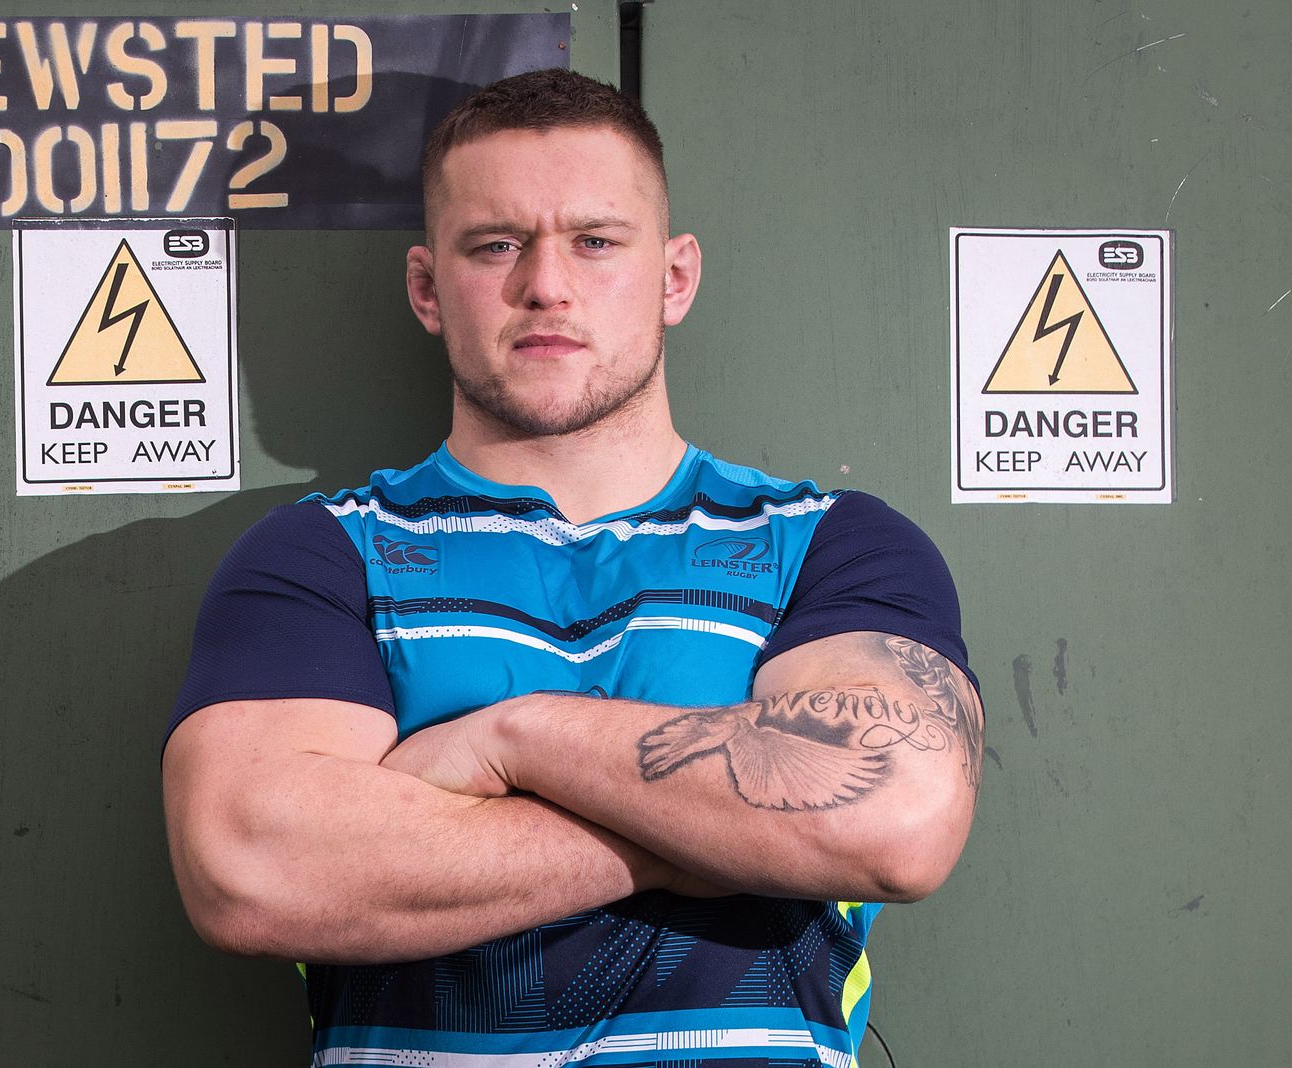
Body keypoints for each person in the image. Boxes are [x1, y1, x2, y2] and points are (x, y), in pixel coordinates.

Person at [161, 68, 983, 1067]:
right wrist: (718, 831)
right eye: (495, 245)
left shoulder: (830, 544)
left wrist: (511, 739)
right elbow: (250, 869)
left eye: (595, 241)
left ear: (674, 277)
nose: (546, 284)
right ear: (426, 288)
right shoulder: (324, 556)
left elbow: (896, 817)